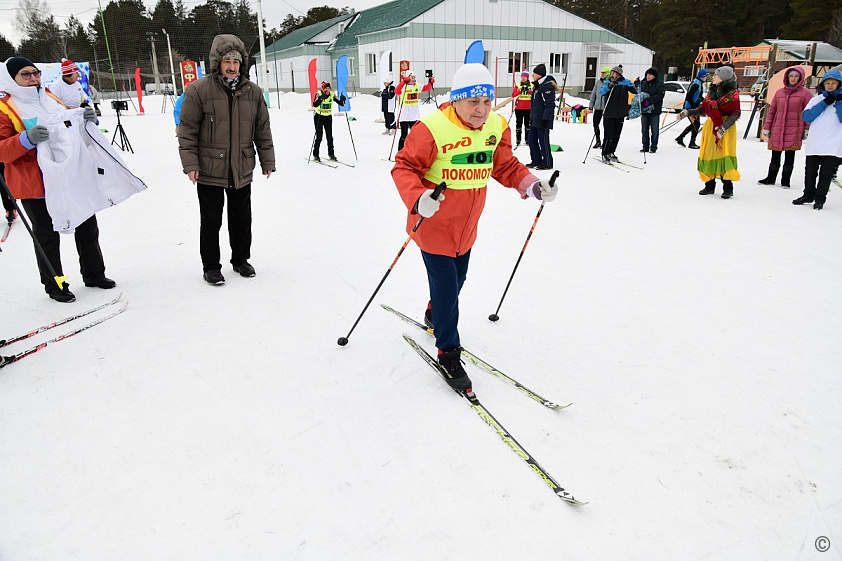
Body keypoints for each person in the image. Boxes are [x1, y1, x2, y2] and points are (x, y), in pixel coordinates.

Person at [392, 60, 558, 391]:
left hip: (467, 228)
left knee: (457, 280)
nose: (482, 109)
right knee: (446, 289)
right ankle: (448, 351)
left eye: (486, 101)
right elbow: (404, 167)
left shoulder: (496, 126)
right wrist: (419, 197)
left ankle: (434, 312)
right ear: (456, 100)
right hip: (433, 223)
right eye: (473, 101)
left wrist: (534, 186)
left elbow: (505, 166)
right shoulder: (432, 129)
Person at [0, 56, 114, 302]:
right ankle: (55, 284)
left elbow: (69, 127)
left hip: (70, 174)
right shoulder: (5, 106)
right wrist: (25, 139)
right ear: (12, 78)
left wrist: (88, 119)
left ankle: (94, 273)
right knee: (47, 236)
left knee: (87, 225)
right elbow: (1, 151)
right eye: (25, 74)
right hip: (35, 183)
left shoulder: (49, 96)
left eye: (35, 73)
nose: (33, 78)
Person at [177, 34, 275, 285]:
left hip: (241, 166)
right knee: (211, 221)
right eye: (227, 61)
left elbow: (262, 130)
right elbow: (187, 131)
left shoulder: (253, 92)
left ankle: (240, 260)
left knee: (241, 219)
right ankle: (211, 266)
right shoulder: (198, 90)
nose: (232, 67)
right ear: (217, 63)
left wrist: (267, 160)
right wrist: (191, 164)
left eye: (236, 61)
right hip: (209, 168)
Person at [678, 65, 741, 199]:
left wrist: (724, 127)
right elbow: (703, 109)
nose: (713, 77)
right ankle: (709, 185)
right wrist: (687, 112)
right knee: (708, 154)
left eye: (716, 75)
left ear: (723, 77)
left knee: (724, 154)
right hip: (711, 126)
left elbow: (736, 113)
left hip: (725, 128)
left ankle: (728, 187)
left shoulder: (732, 94)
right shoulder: (712, 91)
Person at [792, 70, 842, 210]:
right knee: (810, 172)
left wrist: (838, 102)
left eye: (833, 83)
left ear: (838, 85)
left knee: (826, 174)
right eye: (828, 83)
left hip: (833, 144)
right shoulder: (816, 99)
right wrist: (825, 102)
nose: (830, 85)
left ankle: (820, 199)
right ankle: (808, 194)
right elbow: (807, 116)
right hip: (815, 142)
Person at [758, 66, 812, 188]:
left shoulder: (805, 94)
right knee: (775, 154)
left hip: (794, 129)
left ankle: (785, 180)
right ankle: (771, 177)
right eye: (791, 76)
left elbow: (808, 112)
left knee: (790, 155)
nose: (793, 78)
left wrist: (807, 128)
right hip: (778, 127)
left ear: (800, 78)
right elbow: (772, 111)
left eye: (796, 76)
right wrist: (767, 127)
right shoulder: (779, 92)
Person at [599, 65, 637, 163]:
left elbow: (634, 90)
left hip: (620, 113)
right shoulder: (608, 82)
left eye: (614, 73)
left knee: (616, 134)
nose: (612, 75)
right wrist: (609, 86)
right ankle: (605, 153)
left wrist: (636, 85)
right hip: (609, 113)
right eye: (611, 73)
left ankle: (612, 152)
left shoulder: (625, 82)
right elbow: (601, 92)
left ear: (619, 75)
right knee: (608, 134)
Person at [526, 63, 558, 169]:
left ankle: (547, 162)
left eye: (534, 73)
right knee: (532, 140)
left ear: (539, 75)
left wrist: (545, 119)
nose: (532, 75)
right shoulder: (538, 85)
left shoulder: (547, 86)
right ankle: (536, 160)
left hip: (542, 120)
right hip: (535, 119)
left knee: (543, 142)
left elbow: (550, 105)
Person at [311, 81, 346, 162]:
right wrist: (320, 99)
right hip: (318, 117)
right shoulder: (318, 94)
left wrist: (343, 100)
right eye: (326, 88)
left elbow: (340, 103)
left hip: (328, 118)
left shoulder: (332, 94)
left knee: (329, 137)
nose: (328, 90)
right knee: (319, 137)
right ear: (323, 88)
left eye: (329, 88)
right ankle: (315, 154)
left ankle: (331, 154)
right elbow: (315, 104)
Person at [676, 68, 708, 149]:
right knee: (696, 124)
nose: (706, 78)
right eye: (706, 76)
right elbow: (689, 96)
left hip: (694, 107)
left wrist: (705, 101)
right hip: (690, 108)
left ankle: (681, 138)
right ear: (703, 76)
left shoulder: (698, 83)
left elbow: (699, 96)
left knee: (695, 124)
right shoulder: (696, 84)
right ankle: (691, 142)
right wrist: (693, 105)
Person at [639, 66, 664, 153]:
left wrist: (649, 101)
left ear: (654, 76)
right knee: (644, 130)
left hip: (655, 111)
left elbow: (660, 95)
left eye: (650, 75)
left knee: (655, 130)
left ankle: (653, 146)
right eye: (647, 75)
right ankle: (645, 146)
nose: (648, 76)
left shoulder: (660, 84)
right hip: (645, 111)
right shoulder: (643, 84)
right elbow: (639, 94)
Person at [394, 71, 422, 151]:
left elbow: (426, 87)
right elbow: (397, 91)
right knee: (404, 135)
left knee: (415, 135)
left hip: (414, 115)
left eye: (414, 77)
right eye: (412, 77)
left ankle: (413, 151)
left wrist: (430, 83)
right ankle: (400, 152)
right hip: (405, 115)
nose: (413, 79)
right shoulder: (404, 86)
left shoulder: (417, 86)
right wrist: (403, 82)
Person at [588, 66, 609, 149]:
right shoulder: (598, 82)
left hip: (606, 108)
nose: (602, 74)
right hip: (597, 107)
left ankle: (605, 142)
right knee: (595, 124)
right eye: (602, 73)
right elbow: (594, 94)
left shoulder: (609, 83)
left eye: (604, 73)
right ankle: (598, 140)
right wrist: (591, 104)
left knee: (606, 126)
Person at [512, 70, 532, 147]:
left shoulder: (531, 85)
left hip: (528, 108)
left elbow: (535, 95)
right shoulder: (518, 85)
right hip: (519, 108)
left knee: (528, 125)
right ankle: (518, 139)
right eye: (522, 77)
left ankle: (528, 139)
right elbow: (513, 95)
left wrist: (528, 91)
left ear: (527, 78)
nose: (523, 78)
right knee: (518, 124)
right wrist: (520, 91)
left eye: (525, 77)